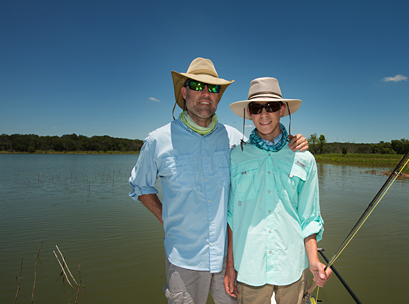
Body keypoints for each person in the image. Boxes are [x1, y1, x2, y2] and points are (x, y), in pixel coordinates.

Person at [128, 58, 308, 304]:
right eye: (197, 86)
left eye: (213, 88)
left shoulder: (235, 139)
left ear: (219, 97)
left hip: (229, 259)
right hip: (184, 259)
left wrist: (294, 144)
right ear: (184, 91)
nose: (205, 94)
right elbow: (141, 187)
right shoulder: (157, 141)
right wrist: (165, 217)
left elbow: (267, 145)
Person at [224, 77, 332, 304]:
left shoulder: (305, 158)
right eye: (256, 108)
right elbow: (233, 217)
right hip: (249, 267)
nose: (264, 114)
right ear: (249, 113)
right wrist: (230, 266)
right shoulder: (235, 157)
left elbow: (309, 217)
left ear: (282, 110)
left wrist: (313, 261)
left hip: (292, 266)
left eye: (271, 107)